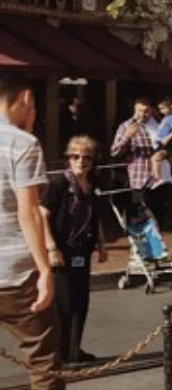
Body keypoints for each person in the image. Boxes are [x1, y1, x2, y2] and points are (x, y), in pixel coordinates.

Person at [0, 74, 63, 390]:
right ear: (24, 98)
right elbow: (28, 211)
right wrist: (45, 270)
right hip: (15, 271)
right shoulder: (22, 143)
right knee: (43, 363)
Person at [40, 136, 107, 367]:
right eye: (76, 157)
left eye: (87, 157)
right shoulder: (58, 185)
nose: (82, 161)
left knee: (80, 303)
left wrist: (101, 243)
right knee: (64, 305)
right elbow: (41, 217)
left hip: (82, 251)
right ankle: (59, 352)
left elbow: (96, 216)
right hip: (61, 252)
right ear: (68, 158)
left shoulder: (95, 184)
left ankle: (73, 349)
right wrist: (51, 248)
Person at [110, 98, 164, 220]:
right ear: (134, 110)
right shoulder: (125, 126)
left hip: (157, 179)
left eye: (146, 111)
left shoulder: (156, 126)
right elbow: (114, 152)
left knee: (158, 214)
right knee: (138, 218)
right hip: (138, 179)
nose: (143, 114)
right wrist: (127, 137)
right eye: (140, 110)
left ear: (151, 111)